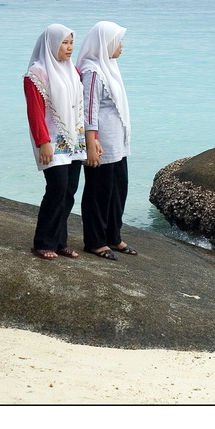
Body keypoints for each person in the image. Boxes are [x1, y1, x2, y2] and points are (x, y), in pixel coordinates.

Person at [24, 23, 87, 259]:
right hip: (51, 140)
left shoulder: (73, 71)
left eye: (71, 42)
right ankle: (43, 242)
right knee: (56, 189)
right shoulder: (37, 73)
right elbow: (35, 112)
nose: (70, 48)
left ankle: (60, 242)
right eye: (65, 42)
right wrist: (43, 142)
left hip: (74, 141)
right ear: (51, 44)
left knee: (69, 191)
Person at [78, 21, 136, 260]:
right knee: (98, 192)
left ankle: (114, 236)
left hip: (117, 143)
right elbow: (88, 111)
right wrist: (91, 144)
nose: (121, 46)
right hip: (101, 144)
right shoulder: (93, 71)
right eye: (118, 41)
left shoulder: (109, 67)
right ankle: (95, 241)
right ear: (105, 44)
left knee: (118, 190)